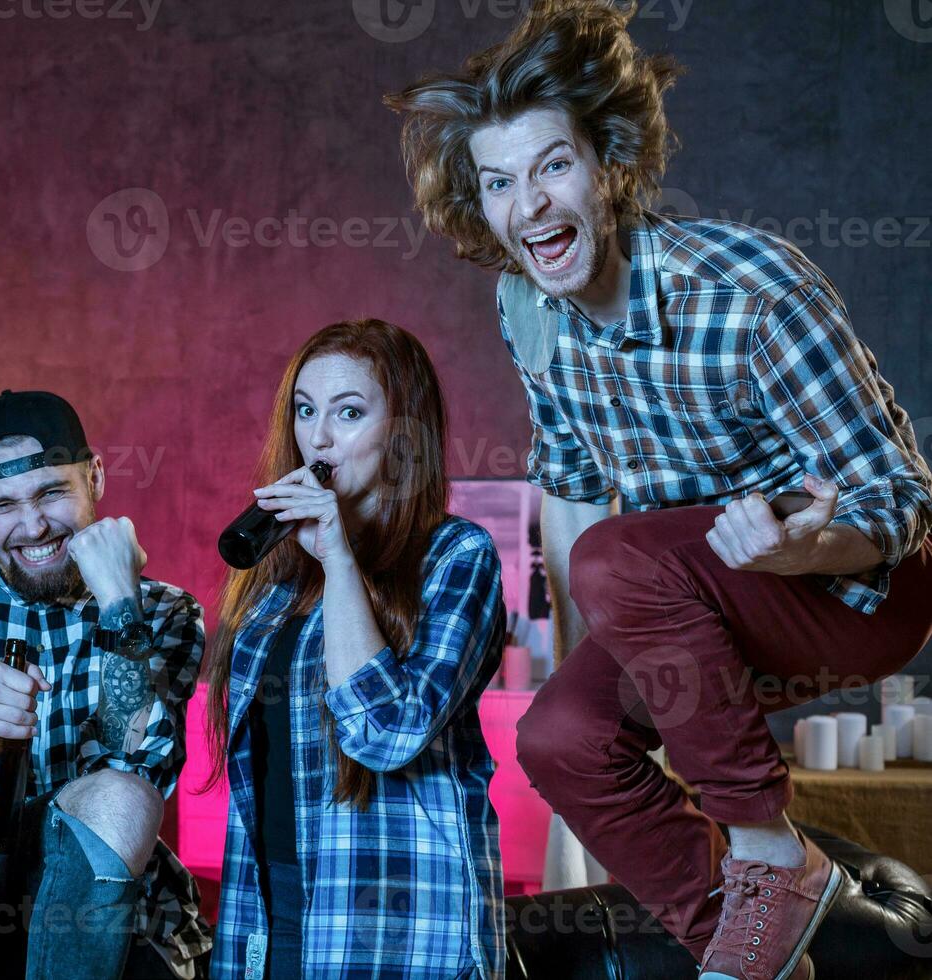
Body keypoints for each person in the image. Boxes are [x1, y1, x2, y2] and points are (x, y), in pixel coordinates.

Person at [385, 3, 932, 977]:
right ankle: (756, 951)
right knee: (559, 736)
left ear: (609, 165)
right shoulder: (525, 305)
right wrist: (572, 663)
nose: (531, 206)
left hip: (860, 590)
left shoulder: (748, 292)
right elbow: (573, 475)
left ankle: (770, 849)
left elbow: (898, 494)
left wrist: (801, 544)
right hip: (696, 606)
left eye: (554, 166)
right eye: (500, 182)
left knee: (613, 555)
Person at [203, 320, 507, 978]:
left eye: (349, 412)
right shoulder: (277, 581)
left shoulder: (456, 557)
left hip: (396, 922)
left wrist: (340, 558)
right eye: (306, 410)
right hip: (272, 911)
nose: (318, 437)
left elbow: (387, 735)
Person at [0, 389, 210, 979]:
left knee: (121, 798)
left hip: (109, 907)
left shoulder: (167, 612)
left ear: (95, 478)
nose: (32, 527)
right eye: (2, 505)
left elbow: (137, 780)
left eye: (51, 493)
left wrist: (118, 605)